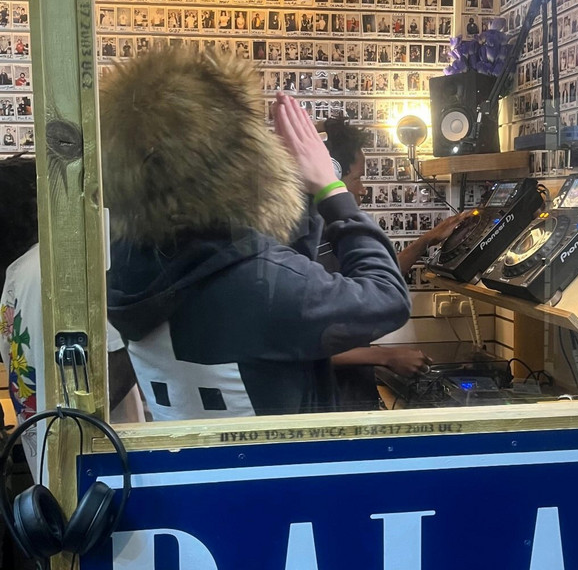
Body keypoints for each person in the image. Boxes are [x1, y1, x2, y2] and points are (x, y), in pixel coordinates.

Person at [100, 47, 410, 420]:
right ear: (235, 161)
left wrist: (302, 197)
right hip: (282, 458)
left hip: (191, 455)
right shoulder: (260, 284)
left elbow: (281, 275)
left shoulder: (125, 268)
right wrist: (331, 190)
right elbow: (387, 297)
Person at [0, 156, 144, 484]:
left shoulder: (27, 270)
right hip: (88, 469)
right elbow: (123, 353)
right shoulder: (52, 267)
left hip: (68, 469)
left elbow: (120, 354)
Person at [319, 118, 468, 410]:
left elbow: (376, 283)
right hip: (331, 408)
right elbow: (305, 346)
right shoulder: (310, 245)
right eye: (358, 179)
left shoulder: (334, 232)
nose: (363, 190)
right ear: (332, 176)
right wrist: (385, 357)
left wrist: (426, 241)